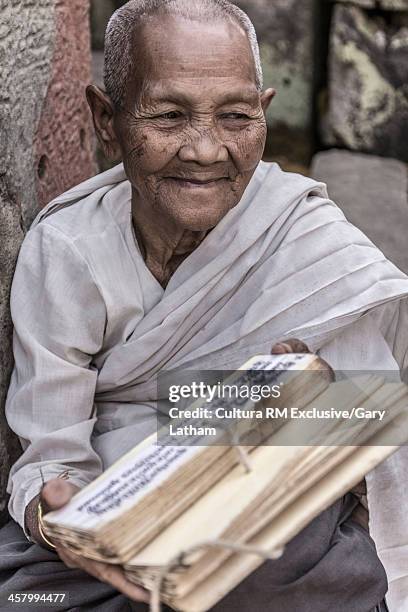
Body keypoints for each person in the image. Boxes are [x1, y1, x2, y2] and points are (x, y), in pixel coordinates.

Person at [1, 1, 408, 610]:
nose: (206, 150)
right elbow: (50, 451)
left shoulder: (308, 242)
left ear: (264, 115)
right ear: (106, 120)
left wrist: (313, 405)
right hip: (105, 527)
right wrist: (70, 523)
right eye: (168, 116)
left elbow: (370, 438)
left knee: (288, 565)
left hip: (265, 533)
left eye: (236, 116)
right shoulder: (68, 250)